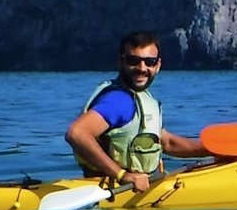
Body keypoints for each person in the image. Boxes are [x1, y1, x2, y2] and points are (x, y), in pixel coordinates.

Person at [65, 30, 207, 192]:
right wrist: (122, 176)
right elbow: (77, 133)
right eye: (134, 61)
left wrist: (210, 150)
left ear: (158, 65)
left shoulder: (140, 98)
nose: (142, 68)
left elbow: (167, 142)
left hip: (135, 190)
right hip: (115, 193)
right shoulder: (118, 100)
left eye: (149, 62)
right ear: (121, 62)